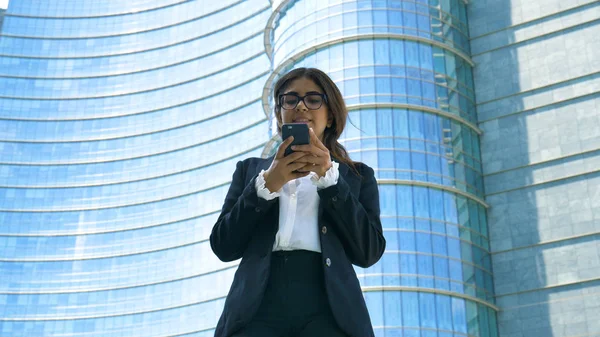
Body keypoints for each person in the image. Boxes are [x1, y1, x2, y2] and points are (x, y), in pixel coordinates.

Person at [210, 67, 386, 337]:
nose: (301, 106)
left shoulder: (356, 176)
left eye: (313, 99)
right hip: (258, 305)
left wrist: (330, 180)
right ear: (280, 115)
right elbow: (223, 245)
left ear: (330, 117)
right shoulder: (249, 171)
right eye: (290, 100)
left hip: (328, 307)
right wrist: (267, 185)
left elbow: (369, 252)